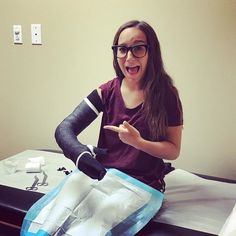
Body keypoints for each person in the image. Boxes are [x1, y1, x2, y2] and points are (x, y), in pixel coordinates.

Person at [55, 20, 183, 192]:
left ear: (151, 52)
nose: (129, 58)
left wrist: (138, 142)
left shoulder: (167, 96)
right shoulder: (106, 91)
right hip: (105, 177)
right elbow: (64, 129)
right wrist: (79, 153)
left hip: (143, 185)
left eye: (138, 48)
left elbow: (173, 151)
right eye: (122, 49)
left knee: (102, 217)